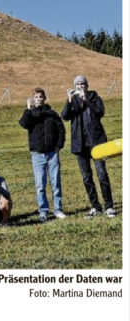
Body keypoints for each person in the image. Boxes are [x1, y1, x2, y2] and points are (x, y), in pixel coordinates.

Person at [61, 75, 115, 217]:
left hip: (96, 142)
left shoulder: (94, 96)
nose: (80, 86)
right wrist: (69, 100)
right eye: (78, 84)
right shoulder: (72, 100)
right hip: (80, 145)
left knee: (102, 174)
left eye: (83, 83)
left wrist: (86, 100)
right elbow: (65, 116)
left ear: (87, 85)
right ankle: (95, 206)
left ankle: (109, 206)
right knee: (87, 177)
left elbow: (100, 112)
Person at [19, 88, 66, 222]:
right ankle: (43, 211)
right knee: (40, 185)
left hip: (52, 154)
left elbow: (61, 130)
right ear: (33, 99)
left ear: (45, 98)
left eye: (41, 96)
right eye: (36, 97)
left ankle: (58, 209)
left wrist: (58, 147)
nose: (39, 98)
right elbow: (24, 124)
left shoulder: (52, 114)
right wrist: (28, 109)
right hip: (37, 154)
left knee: (55, 183)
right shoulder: (31, 114)